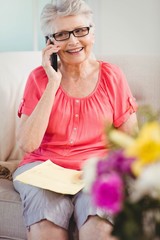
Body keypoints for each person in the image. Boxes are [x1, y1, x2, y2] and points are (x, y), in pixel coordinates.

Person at [13, 0, 138, 239]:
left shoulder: (113, 76)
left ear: (92, 32)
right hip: (43, 168)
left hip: (96, 169)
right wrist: (53, 83)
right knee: (45, 226)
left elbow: (131, 141)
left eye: (80, 30)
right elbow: (28, 145)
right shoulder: (38, 78)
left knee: (100, 226)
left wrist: (105, 168)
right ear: (49, 42)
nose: (72, 41)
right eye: (61, 34)